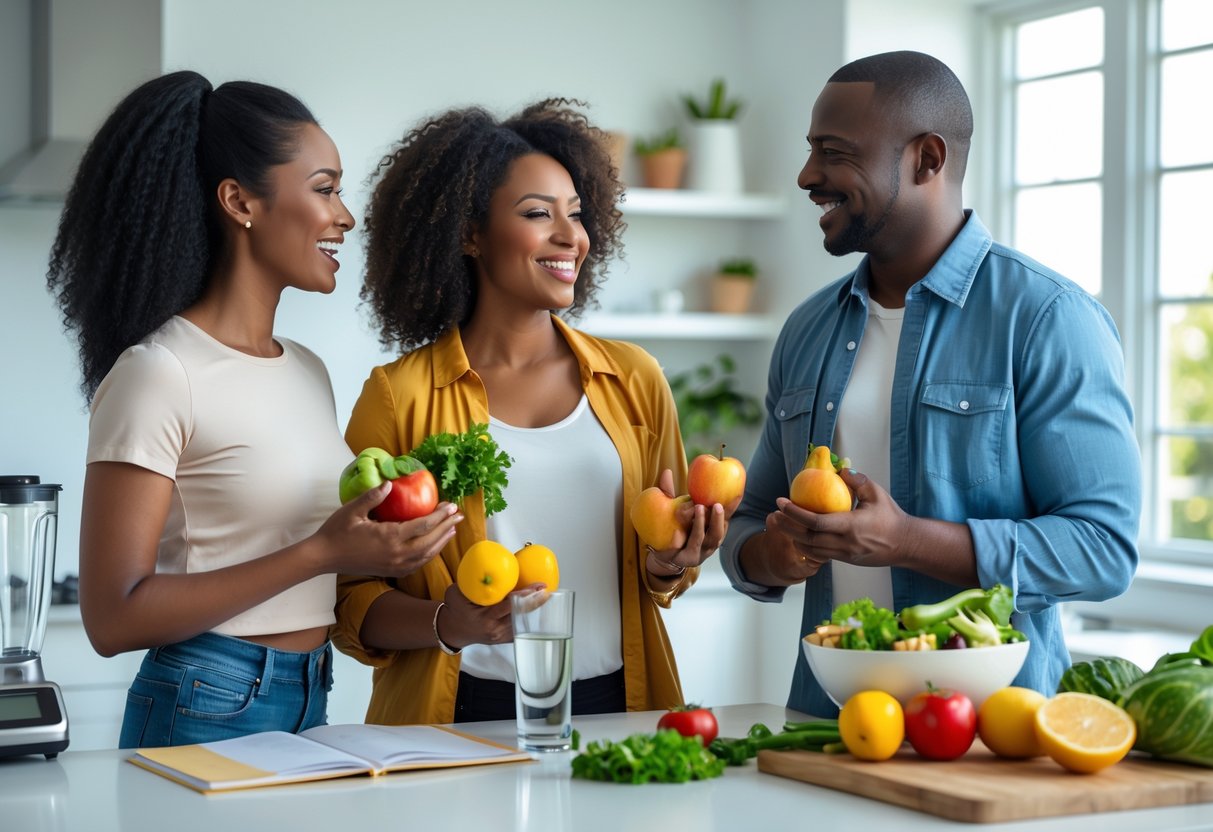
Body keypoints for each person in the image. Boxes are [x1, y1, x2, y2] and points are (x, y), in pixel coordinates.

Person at [719, 51, 1141, 717]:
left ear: (926, 159)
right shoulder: (806, 329)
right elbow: (746, 526)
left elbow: (1102, 549)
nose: (807, 176)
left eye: (832, 152)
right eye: (810, 152)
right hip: (828, 732)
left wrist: (905, 539)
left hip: (992, 742)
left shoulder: (1046, 319)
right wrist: (774, 552)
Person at [46, 71, 460, 748]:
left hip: (310, 691)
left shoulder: (308, 371)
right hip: (205, 700)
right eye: (324, 188)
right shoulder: (158, 373)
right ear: (240, 201)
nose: (345, 215)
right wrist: (322, 550)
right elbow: (111, 618)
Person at [333, 99, 730, 725]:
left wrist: (667, 562)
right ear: (468, 234)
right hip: (457, 716)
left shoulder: (635, 380)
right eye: (538, 214)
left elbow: (662, 568)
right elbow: (349, 598)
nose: (571, 236)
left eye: (576, 214)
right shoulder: (399, 396)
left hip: (618, 706)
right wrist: (449, 621)